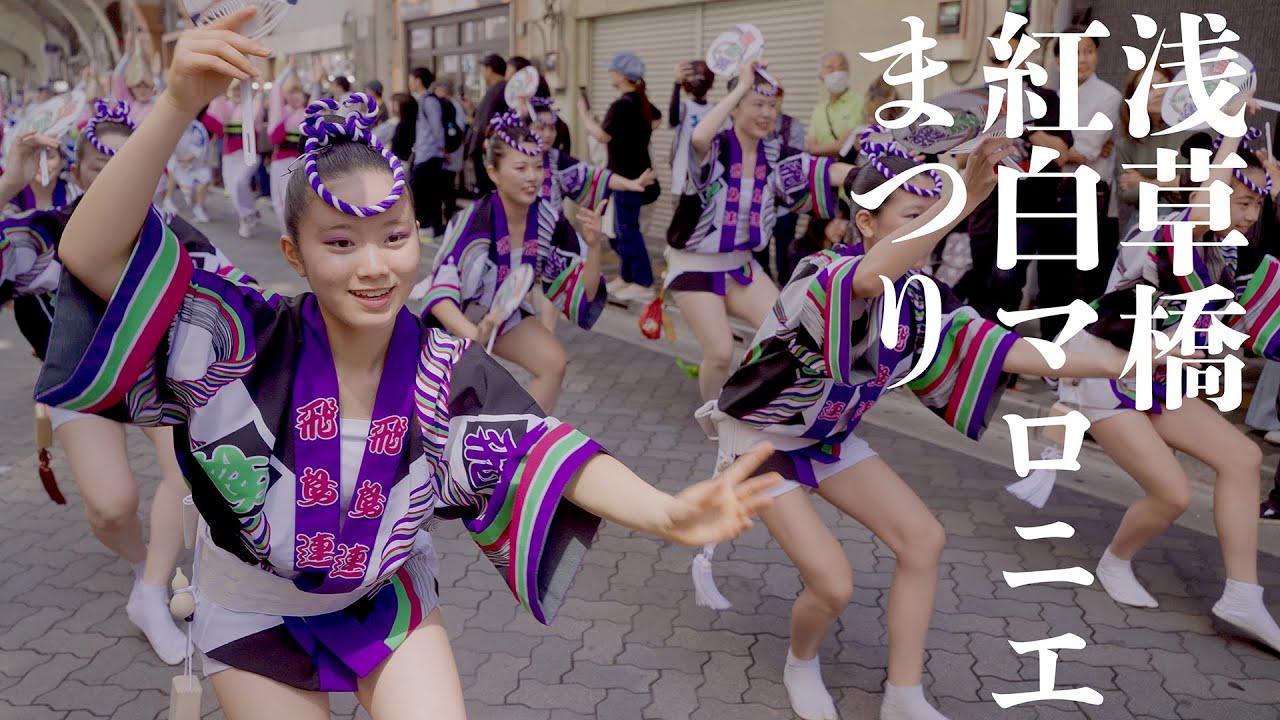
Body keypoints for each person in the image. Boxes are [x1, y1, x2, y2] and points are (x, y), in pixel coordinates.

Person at [38, 14, 780, 716]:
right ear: (291, 252)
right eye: (339, 243)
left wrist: (666, 511)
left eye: (393, 237)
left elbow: (537, 446)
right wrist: (173, 105)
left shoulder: (439, 366)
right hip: (250, 607)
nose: (374, 267)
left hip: (383, 597)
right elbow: (92, 253)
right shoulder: (243, 334)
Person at [693, 133, 1156, 720]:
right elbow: (866, 282)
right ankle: (801, 661)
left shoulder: (922, 297)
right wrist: (963, 194)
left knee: (924, 539)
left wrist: (1119, 361)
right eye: (917, 215)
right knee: (834, 584)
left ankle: (903, 695)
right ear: (865, 222)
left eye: (935, 217)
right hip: (759, 439)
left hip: (828, 435)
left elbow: (1009, 351)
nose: (935, 228)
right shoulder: (824, 272)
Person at [0, 104, 248, 667]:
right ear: (76, 172)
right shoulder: (49, 233)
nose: (112, 175)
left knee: (187, 476)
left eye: (127, 162)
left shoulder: (179, 239)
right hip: (81, 384)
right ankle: (143, 563)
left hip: (157, 385)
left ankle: (152, 591)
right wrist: (10, 183)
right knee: (112, 508)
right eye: (97, 165)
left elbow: (249, 300)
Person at [1055, 110, 1280, 653]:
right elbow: (1202, 211)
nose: (1251, 215)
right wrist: (1230, 127)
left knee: (1243, 458)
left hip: (1155, 377)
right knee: (1173, 493)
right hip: (1105, 372)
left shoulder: (1231, 256)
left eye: (1258, 205)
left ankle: (1243, 596)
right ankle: (1116, 560)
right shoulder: (1162, 229)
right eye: (1244, 201)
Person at [667, 62, 854, 403]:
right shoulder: (717, 147)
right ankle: (715, 420)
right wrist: (741, 85)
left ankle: (758, 403)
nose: (767, 113)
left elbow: (821, 170)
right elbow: (697, 137)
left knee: (788, 330)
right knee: (721, 351)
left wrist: (878, 175)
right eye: (756, 104)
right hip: (693, 265)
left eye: (771, 105)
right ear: (736, 106)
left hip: (740, 265)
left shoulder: (775, 154)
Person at [417, 112, 608, 411]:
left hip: (503, 313)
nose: (532, 177)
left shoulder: (548, 220)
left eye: (537, 167)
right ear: (493, 172)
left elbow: (585, 290)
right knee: (455, 409)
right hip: (458, 320)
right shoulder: (474, 219)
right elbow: (439, 295)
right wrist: (473, 336)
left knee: (553, 362)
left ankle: (525, 445)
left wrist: (594, 246)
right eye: (520, 168)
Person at [953, 24, 1073, 344]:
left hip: (1029, 209)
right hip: (985, 204)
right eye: (996, 57)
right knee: (983, 282)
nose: (1003, 64)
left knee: (1007, 278)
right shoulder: (978, 103)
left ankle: (1002, 355)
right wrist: (982, 140)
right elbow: (960, 161)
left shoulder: (1045, 100)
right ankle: (981, 353)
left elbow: (1062, 152)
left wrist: (1026, 126)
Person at [577, 51, 661, 302]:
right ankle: (627, 277)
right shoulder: (641, 103)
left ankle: (644, 282)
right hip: (637, 175)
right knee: (621, 229)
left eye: (613, 70)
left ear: (623, 76)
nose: (610, 74)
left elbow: (602, 136)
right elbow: (656, 120)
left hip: (627, 178)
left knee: (627, 230)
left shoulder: (622, 105)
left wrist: (583, 114)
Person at [1053, 28, 1123, 307]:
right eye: (1074, 53)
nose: (1082, 59)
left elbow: (1085, 151)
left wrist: (1046, 143)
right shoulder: (1051, 98)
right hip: (1051, 191)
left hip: (1086, 194)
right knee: (1053, 274)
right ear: (1058, 61)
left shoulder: (1108, 96)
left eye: (1089, 51)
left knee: (1082, 279)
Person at [527, 96, 654, 220]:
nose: (548, 134)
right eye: (541, 128)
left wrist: (631, 183)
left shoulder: (556, 159)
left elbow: (595, 176)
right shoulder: (512, 158)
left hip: (553, 233)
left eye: (552, 128)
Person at [1115, 65, 1195, 235]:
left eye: (1162, 84)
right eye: (1148, 89)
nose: (1158, 92)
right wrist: (1169, 183)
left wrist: (1145, 182)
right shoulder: (1128, 142)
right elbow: (1127, 192)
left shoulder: (1192, 130)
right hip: (1143, 221)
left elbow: (1190, 182)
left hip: (1188, 220)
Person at [754, 83, 807, 283]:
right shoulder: (752, 126)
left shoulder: (792, 126)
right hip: (758, 200)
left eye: (773, 98)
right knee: (759, 249)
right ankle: (762, 290)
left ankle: (786, 292)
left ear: (780, 98)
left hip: (786, 201)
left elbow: (796, 163)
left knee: (785, 249)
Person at [204, 81, 263, 238]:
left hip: (249, 154)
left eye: (240, 89)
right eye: (235, 89)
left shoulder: (253, 105)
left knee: (240, 182)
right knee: (232, 188)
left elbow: (255, 113)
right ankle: (246, 217)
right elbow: (214, 121)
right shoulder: (226, 106)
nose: (238, 92)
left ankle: (248, 213)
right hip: (230, 155)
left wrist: (257, 93)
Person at [267, 57, 310, 231]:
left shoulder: (308, 112)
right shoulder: (281, 111)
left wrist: (315, 83)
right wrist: (289, 69)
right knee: (277, 201)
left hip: (298, 163)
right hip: (279, 161)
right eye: (291, 92)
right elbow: (276, 87)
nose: (295, 96)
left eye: (298, 92)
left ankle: (294, 235)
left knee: (289, 200)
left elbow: (316, 101)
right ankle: (289, 233)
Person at [409, 66, 448, 238]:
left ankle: (432, 227)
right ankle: (427, 226)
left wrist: (442, 149)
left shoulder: (429, 101)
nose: (410, 82)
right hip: (424, 154)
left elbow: (437, 128)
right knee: (424, 192)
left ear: (418, 80)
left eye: (411, 79)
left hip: (430, 154)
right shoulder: (423, 100)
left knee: (430, 194)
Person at [669, 60, 716, 200]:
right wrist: (677, 84)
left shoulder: (715, 110)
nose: (698, 83)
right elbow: (673, 119)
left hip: (708, 181)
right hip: (682, 178)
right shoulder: (684, 108)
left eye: (702, 79)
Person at [804, 51, 862, 159]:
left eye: (841, 67)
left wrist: (818, 149)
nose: (837, 73)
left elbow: (844, 146)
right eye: (830, 68)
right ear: (821, 76)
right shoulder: (818, 110)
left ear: (848, 71)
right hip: (821, 171)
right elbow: (810, 146)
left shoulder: (859, 103)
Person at [160, 116, 213, 223]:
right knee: (172, 168)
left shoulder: (198, 128)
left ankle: (199, 207)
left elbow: (197, 150)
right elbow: (167, 145)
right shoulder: (171, 127)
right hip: (178, 160)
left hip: (197, 164)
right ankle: (167, 200)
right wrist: (179, 160)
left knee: (201, 184)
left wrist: (186, 160)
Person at [469, 54, 509, 195]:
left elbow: (487, 123)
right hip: (485, 151)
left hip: (487, 152)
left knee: (489, 195)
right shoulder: (497, 90)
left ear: (489, 70)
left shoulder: (500, 90)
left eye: (483, 69)